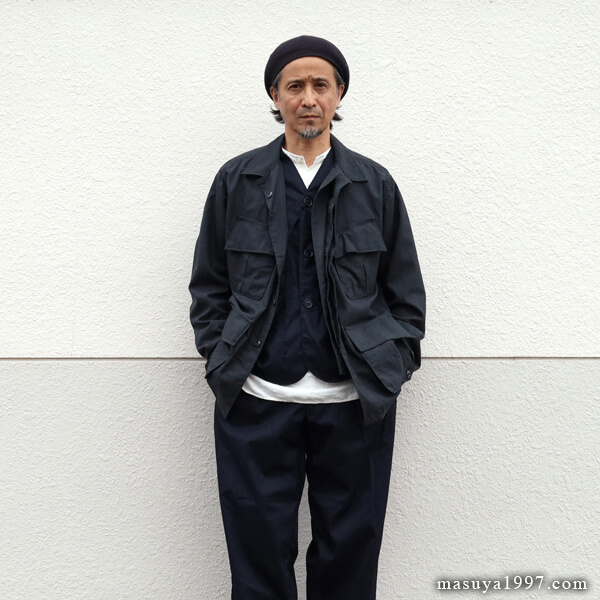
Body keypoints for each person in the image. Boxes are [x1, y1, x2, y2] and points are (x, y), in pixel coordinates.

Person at [189, 35, 426, 600]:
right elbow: (209, 285)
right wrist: (223, 360)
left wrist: (391, 366)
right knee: (257, 561)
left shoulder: (374, 184)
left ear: (339, 93)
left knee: (351, 557)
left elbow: (405, 294)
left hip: (354, 403)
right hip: (257, 399)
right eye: (294, 85)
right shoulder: (237, 180)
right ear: (276, 96)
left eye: (321, 84)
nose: (309, 98)